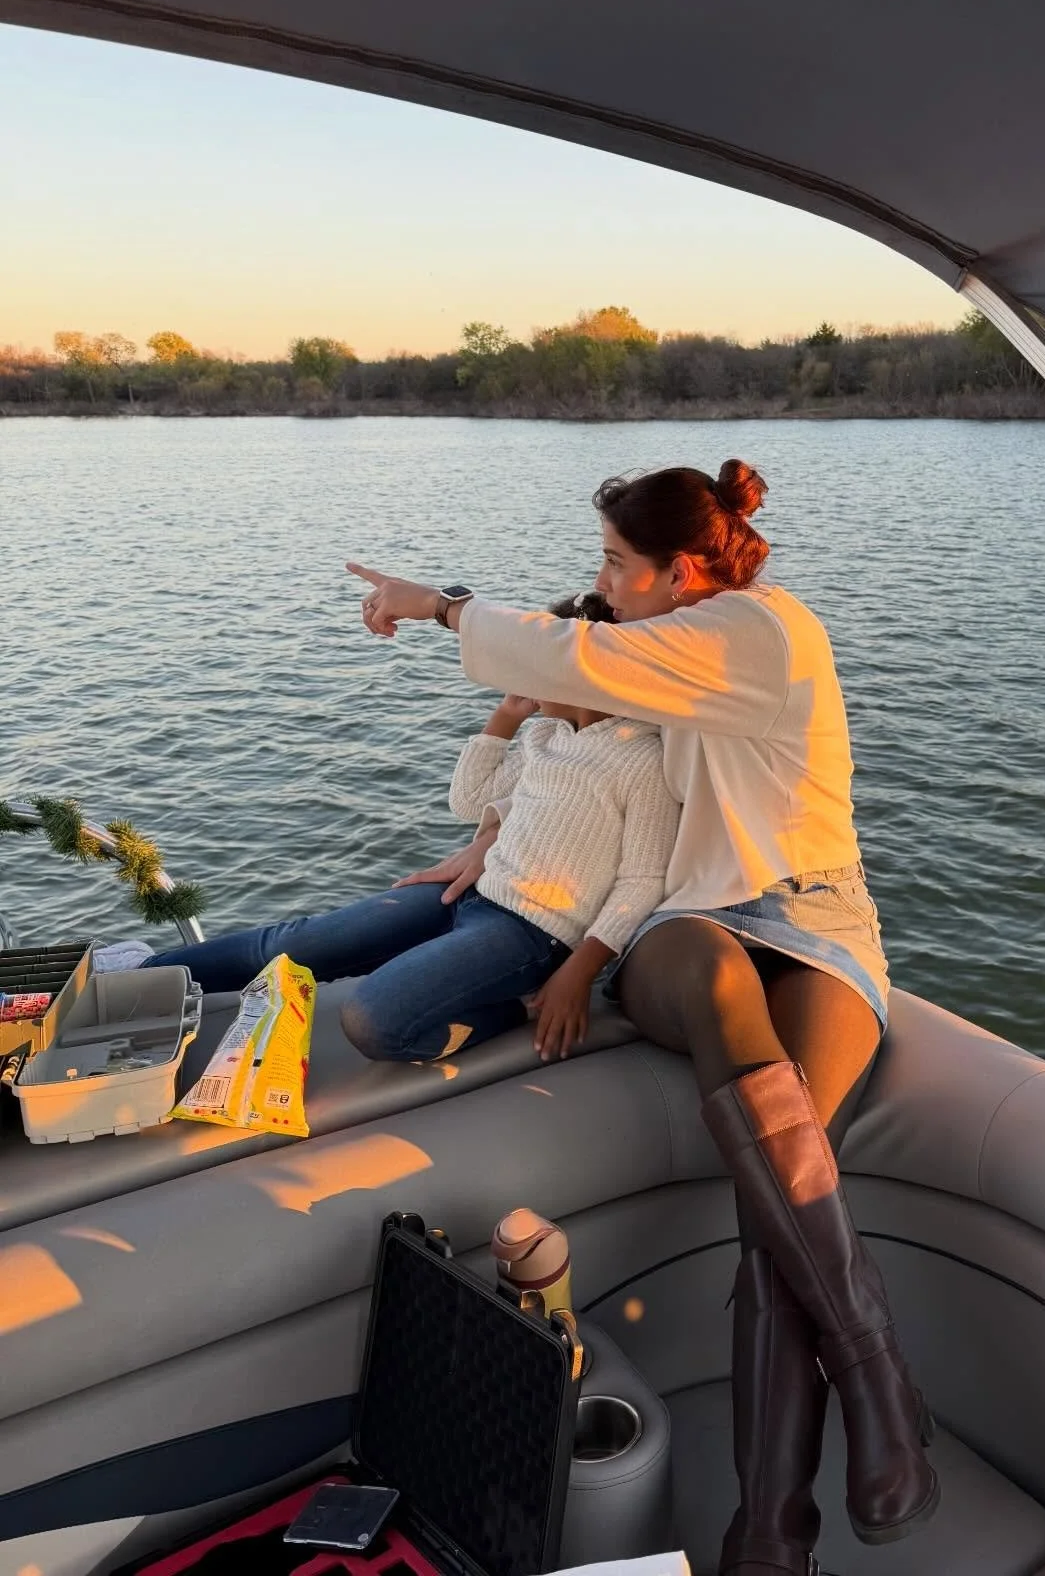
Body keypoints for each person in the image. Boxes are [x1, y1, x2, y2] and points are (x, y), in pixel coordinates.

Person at [348, 458, 939, 1576]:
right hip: (693, 922)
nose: (602, 583)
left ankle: (772, 1533)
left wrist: (438, 602)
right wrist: (484, 847)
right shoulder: (662, 648)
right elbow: (558, 707)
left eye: (619, 565)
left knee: (782, 1196)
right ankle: (877, 1374)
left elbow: (577, 654)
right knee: (715, 982)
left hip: (821, 923)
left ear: (682, 573)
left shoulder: (761, 633)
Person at [133, 594, 679, 1065]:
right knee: (293, 942)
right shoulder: (547, 736)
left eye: (538, 662)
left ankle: (516, 1003)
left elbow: (642, 880)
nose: (525, 671)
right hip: (469, 892)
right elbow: (468, 801)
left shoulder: (640, 758)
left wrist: (578, 974)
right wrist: (506, 718)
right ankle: (132, 980)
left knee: (374, 1020)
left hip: (534, 935)